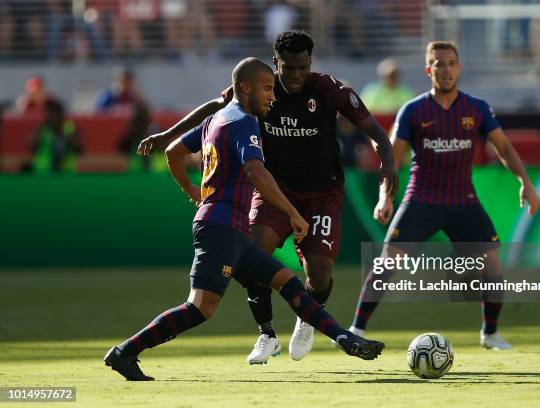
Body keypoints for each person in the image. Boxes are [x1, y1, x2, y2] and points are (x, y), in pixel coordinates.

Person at [103, 58, 384, 381]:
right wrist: (292, 213)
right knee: (200, 307)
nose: (272, 96)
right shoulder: (243, 121)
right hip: (221, 227)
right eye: (267, 89)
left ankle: (344, 338)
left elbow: (174, 152)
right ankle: (125, 352)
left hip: (232, 229)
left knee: (287, 282)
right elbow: (255, 170)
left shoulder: (216, 119)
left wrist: (191, 189)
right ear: (246, 88)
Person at [349, 41, 540, 350]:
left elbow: (503, 147)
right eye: (439, 63)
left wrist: (526, 183)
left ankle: (490, 333)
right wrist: (385, 197)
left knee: (492, 264)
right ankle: (356, 328)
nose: (446, 69)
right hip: (420, 199)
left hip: (463, 200)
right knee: (387, 263)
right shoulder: (413, 110)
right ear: (429, 70)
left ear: (459, 68)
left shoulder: (476, 108)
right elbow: (393, 159)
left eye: (451, 63)